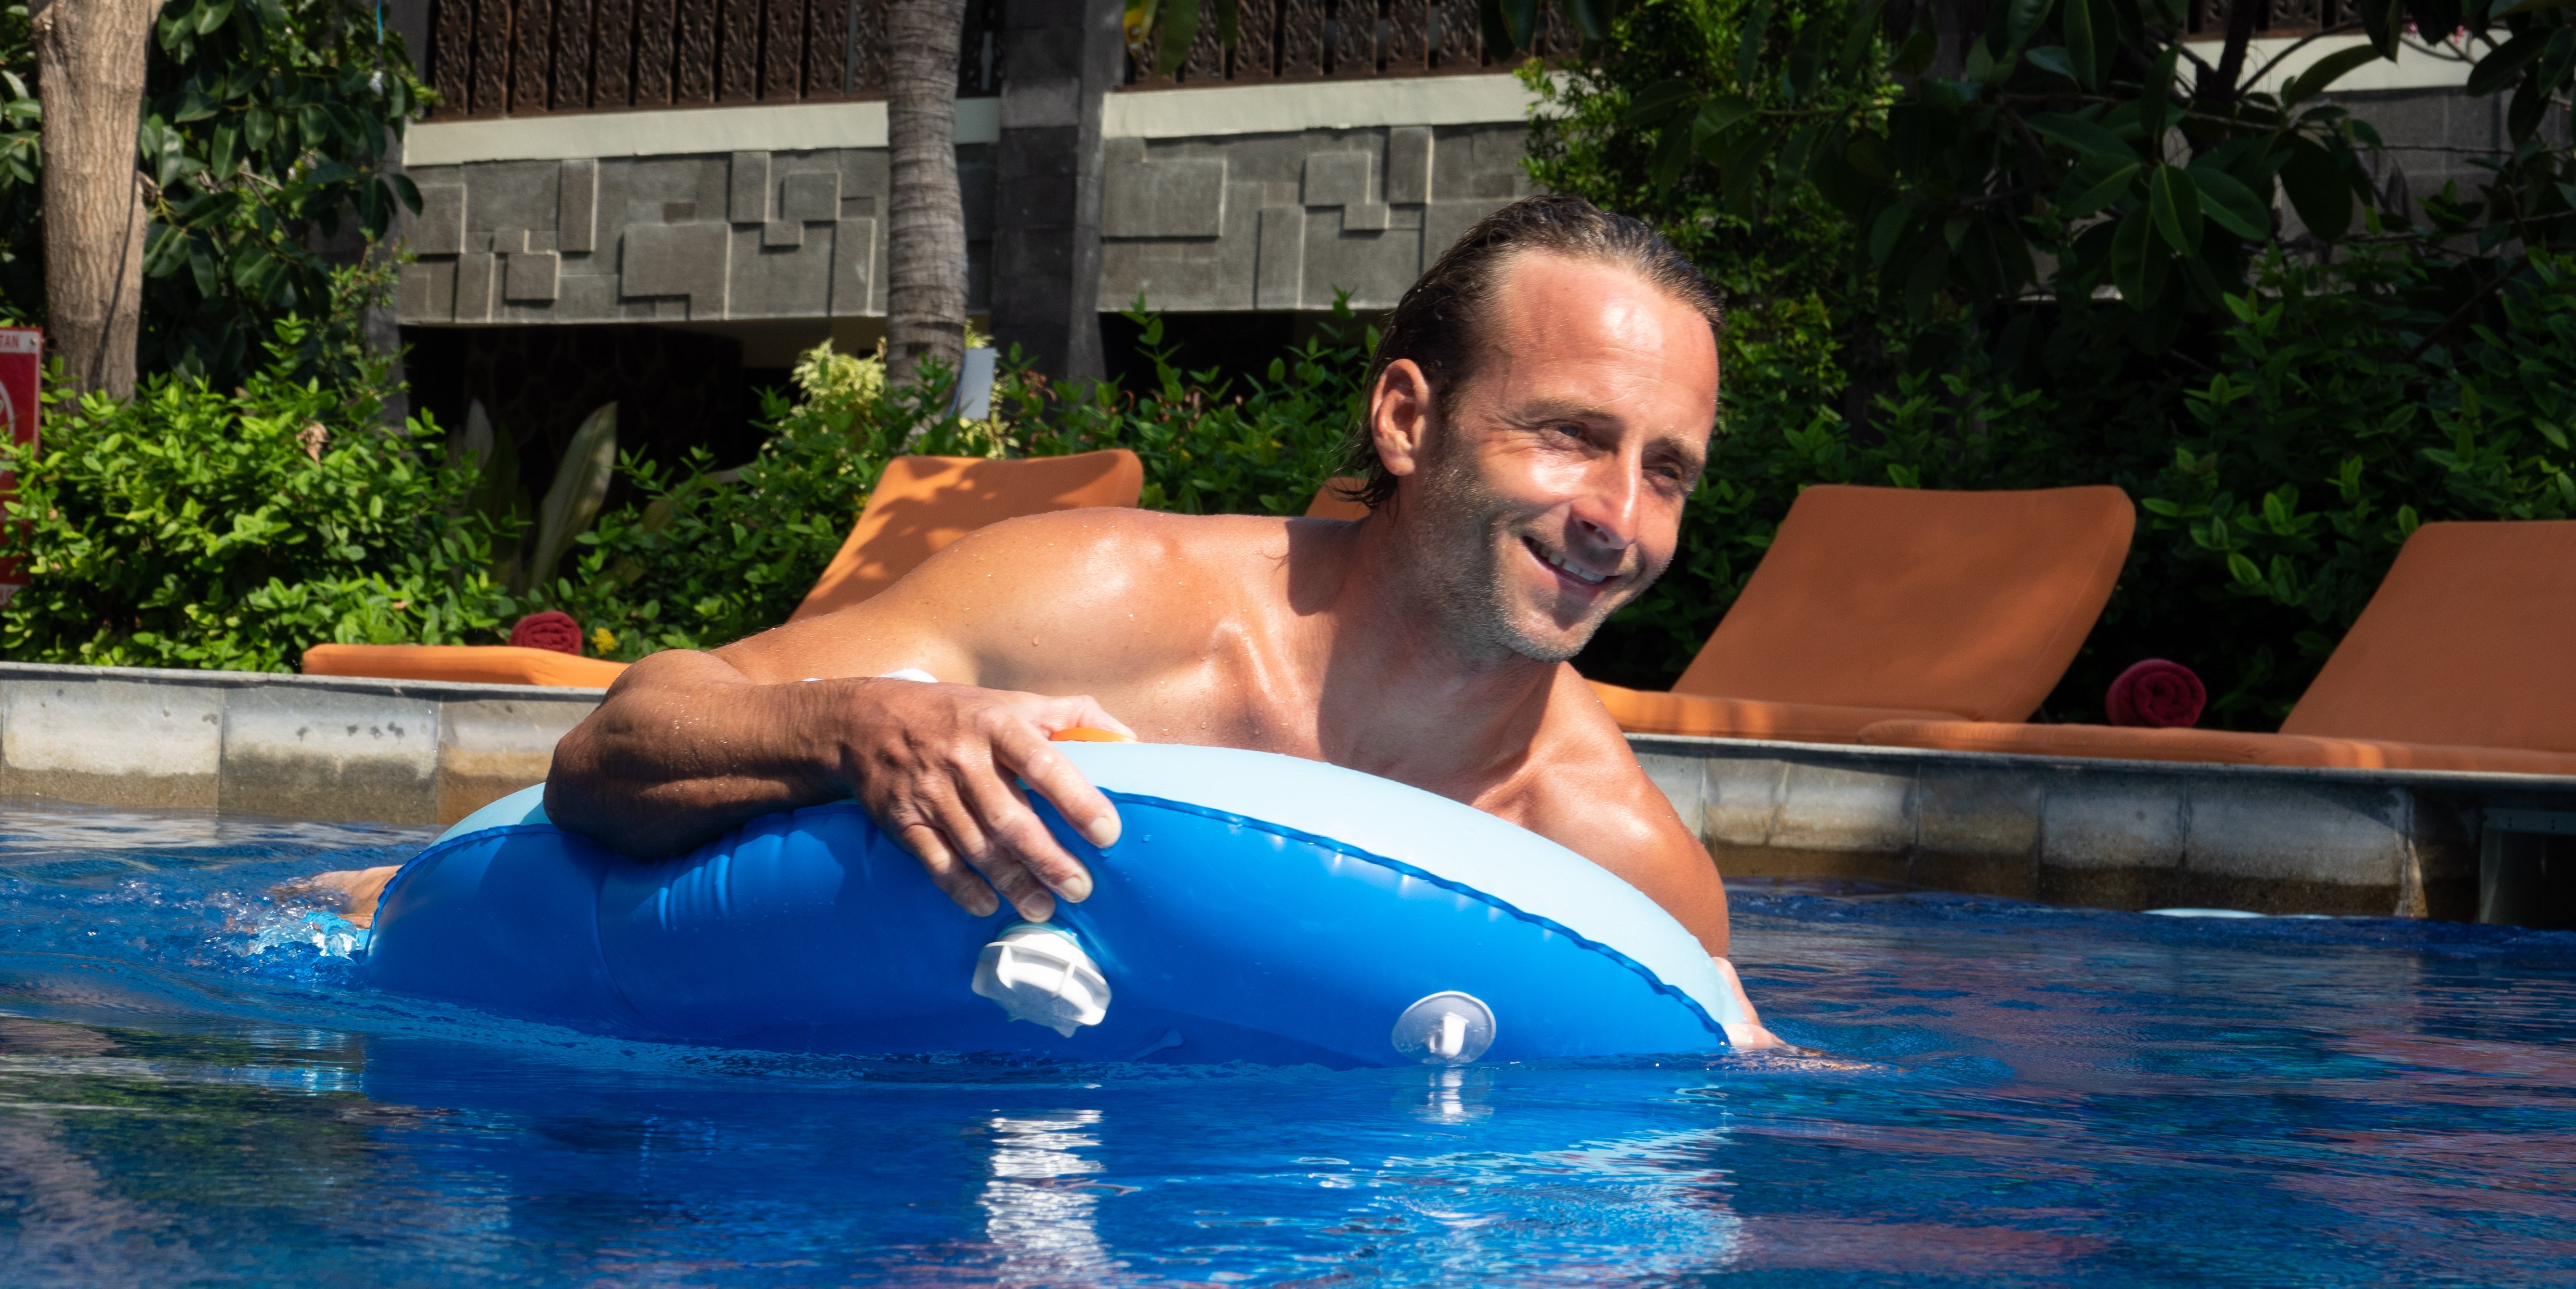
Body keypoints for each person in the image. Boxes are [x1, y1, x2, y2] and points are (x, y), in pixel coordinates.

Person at [313, 196, 1777, 1048]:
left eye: (1668, 474)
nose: (1621, 520)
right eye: (1573, 437)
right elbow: (620, 743)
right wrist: (863, 727)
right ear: (1409, 416)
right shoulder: (1103, 603)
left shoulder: (1624, 860)